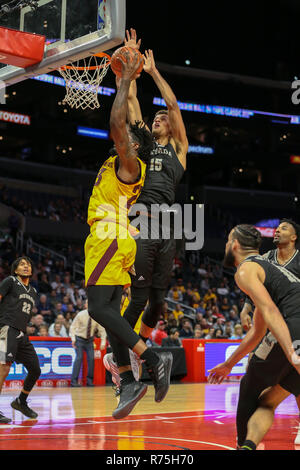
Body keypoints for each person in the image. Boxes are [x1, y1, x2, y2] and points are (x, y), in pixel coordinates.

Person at [84, 50, 173, 419]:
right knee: (108, 312)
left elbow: (119, 124)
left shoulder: (129, 163)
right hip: (116, 238)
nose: (127, 137)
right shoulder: (120, 160)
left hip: (109, 235)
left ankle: (151, 358)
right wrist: (131, 79)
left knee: (98, 308)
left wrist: (123, 82)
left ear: (135, 148)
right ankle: (128, 378)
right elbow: (130, 119)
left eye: (131, 139)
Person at [104, 29, 188, 386]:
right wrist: (131, 65)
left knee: (157, 302)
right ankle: (119, 354)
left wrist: (153, 71)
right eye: (154, 119)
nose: (158, 119)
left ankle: (135, 344)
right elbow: (133, 102)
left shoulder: (179, 151)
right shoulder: (148, 145)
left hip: (168, 228)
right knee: (137, 298)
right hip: (140, 221)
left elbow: (172, 105)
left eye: (162, 119)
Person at [208, 224, 300, 450]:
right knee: (267, 402)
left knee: (249, 386)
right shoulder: (269, 271)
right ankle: (250, 444)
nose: (227, 245)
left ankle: (243, 446)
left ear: (235, 245)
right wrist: (229, 364)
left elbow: (270, 311)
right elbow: (258, 331)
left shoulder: (246, 270)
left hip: (294, 324)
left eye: (229, 241)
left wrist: (292, 352)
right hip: (293, 322)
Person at [238, 218, 300, 445]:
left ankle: (244, 440)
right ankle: (248, 438)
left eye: (284, 228)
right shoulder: (265, 259)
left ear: (294, 237)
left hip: (292, 322)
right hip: (272, 324)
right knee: (284, 380)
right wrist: (246, 307)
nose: (277, 231)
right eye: (277, 228)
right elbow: (254, 289)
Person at [0, 257, 41, 422]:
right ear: (15, 270)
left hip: (22, 334)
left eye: (28, 264)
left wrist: (28, 323)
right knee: (3, 367)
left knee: (35, 369)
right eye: (22, 264)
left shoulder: (33, 291)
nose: (26, 266)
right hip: (7, 328)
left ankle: (21, 401)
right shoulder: (10, 281)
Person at [69, 301, 106, 387]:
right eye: (88, 304)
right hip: (79, 339)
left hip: (89, 340)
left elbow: (102, 329)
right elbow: (73, 327)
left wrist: (103, 341)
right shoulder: (80, 315)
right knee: (79, 358)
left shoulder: (97, 316)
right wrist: (73, 339)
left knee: (91, 359)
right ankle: (74, 381)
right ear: (85, 305)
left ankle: (89, 381)